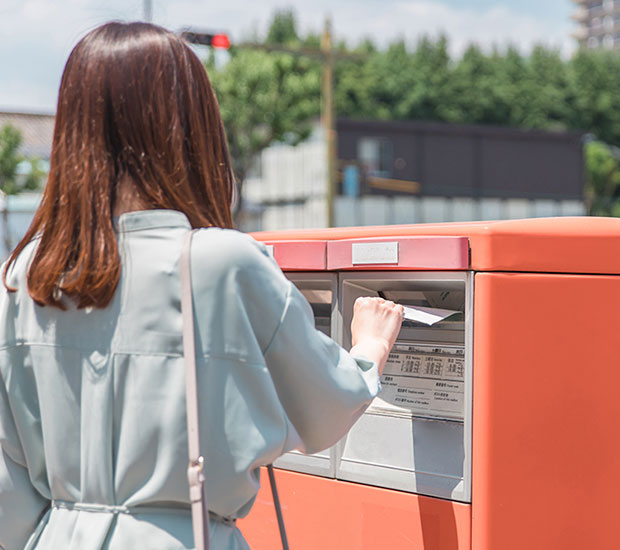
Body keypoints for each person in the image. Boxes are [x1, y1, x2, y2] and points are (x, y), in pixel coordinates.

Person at [0, 21, 403, 550]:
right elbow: (323, 408)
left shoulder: (29, 273)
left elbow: (10, 479)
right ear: (188, 126)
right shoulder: (223, 263)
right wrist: (369, 347)